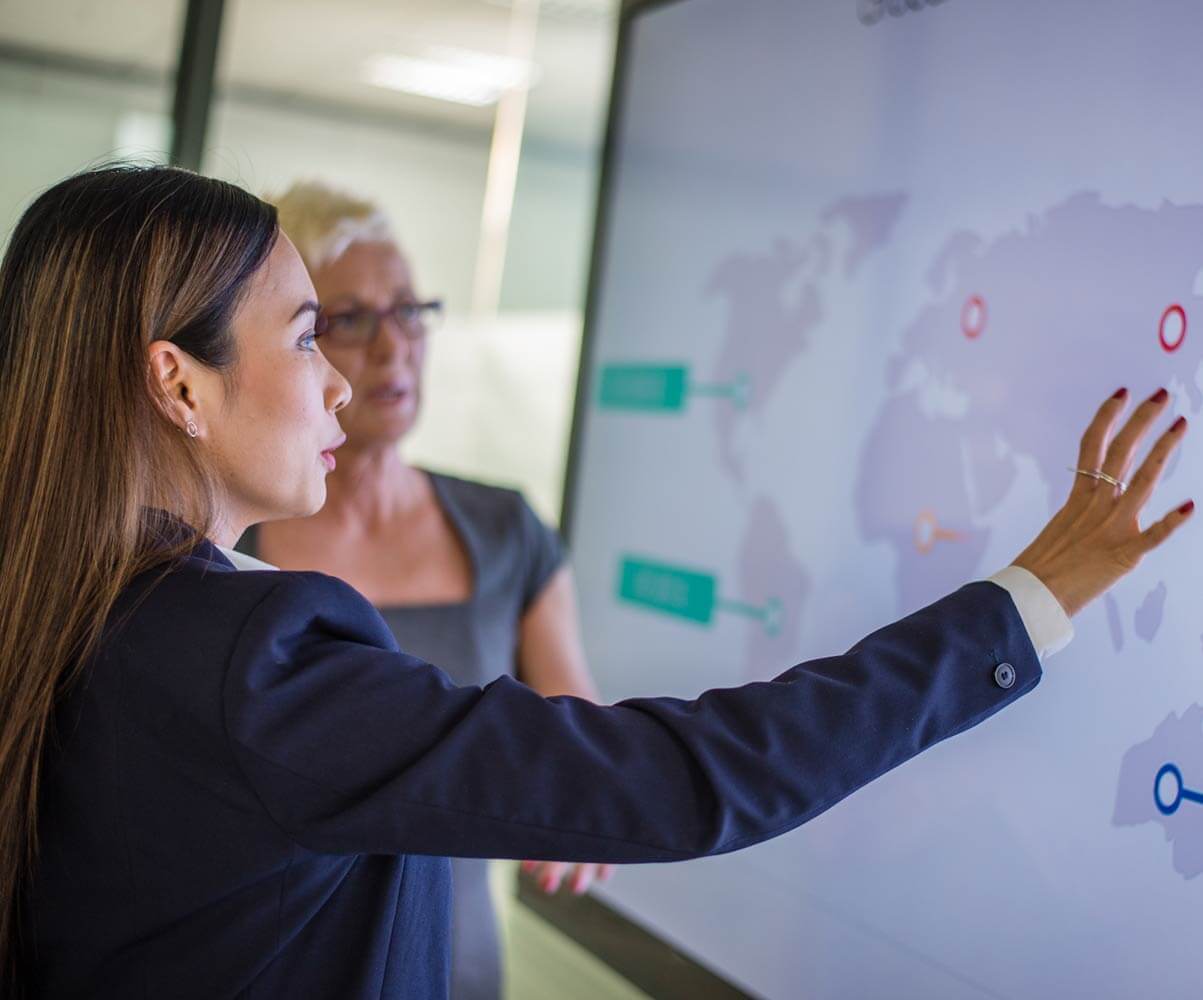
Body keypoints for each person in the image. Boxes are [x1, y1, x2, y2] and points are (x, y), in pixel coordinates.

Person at [0, 165, 1190, 999]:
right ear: (181, 383)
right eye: (311, 334)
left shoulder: (81, 610)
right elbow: (676, 779)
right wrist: (1024, 602)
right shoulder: (246, 654)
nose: (345, 381)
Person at [231, 182, 610, 1000]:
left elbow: (576, 733)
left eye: (408, 310)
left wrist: (582, 809)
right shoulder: (229, 540)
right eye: (349, 319)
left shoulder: (506, 531)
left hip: (456, 970)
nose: (393, 345)